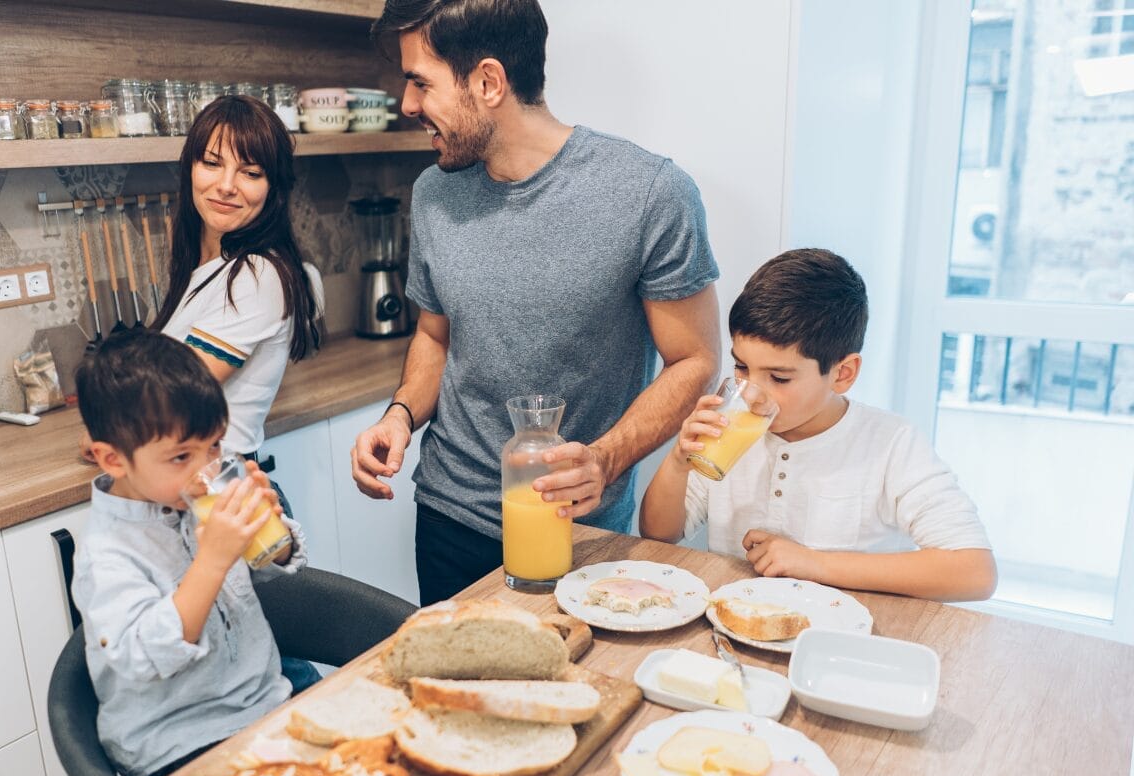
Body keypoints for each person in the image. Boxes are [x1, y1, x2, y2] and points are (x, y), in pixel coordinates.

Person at [351, 0, 722, 605]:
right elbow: (434, 336)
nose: (408, 104)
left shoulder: (650, 192)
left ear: (488, 81)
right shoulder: (433, 193)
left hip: (579, 529)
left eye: (420, 82)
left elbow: (696, 360)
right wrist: (399, 415)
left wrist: (605, 459)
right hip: (447, 518)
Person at [639, 249, 998, 602]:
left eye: (779, 378)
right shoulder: (731, 427)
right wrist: (677, 463)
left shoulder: (890, 443)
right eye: (742, 368)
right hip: (736, 625)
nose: (751, 395)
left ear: (843, 374)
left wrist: (814, 563)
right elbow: (658, 533)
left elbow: (974, 572)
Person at [72, 330, 315, 776]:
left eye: (215, 447)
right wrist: (212, 559)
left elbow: (276, 562)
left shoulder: (189, 499)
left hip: (265, 710)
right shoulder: (107, 555)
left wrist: (270, 528)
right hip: (181, 747)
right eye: (182, 456)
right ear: (112, 459)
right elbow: (145, 656)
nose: (206, 469)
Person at [83, 95, 322, 507]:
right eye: (211, 163)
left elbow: (171, 397)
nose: (226, 185)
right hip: (191, 489)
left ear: (274, 189)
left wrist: (105, 421)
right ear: (190, 168)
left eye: (250, 172)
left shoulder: (257, 275)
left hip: (220, 493)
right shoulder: (210, 267)